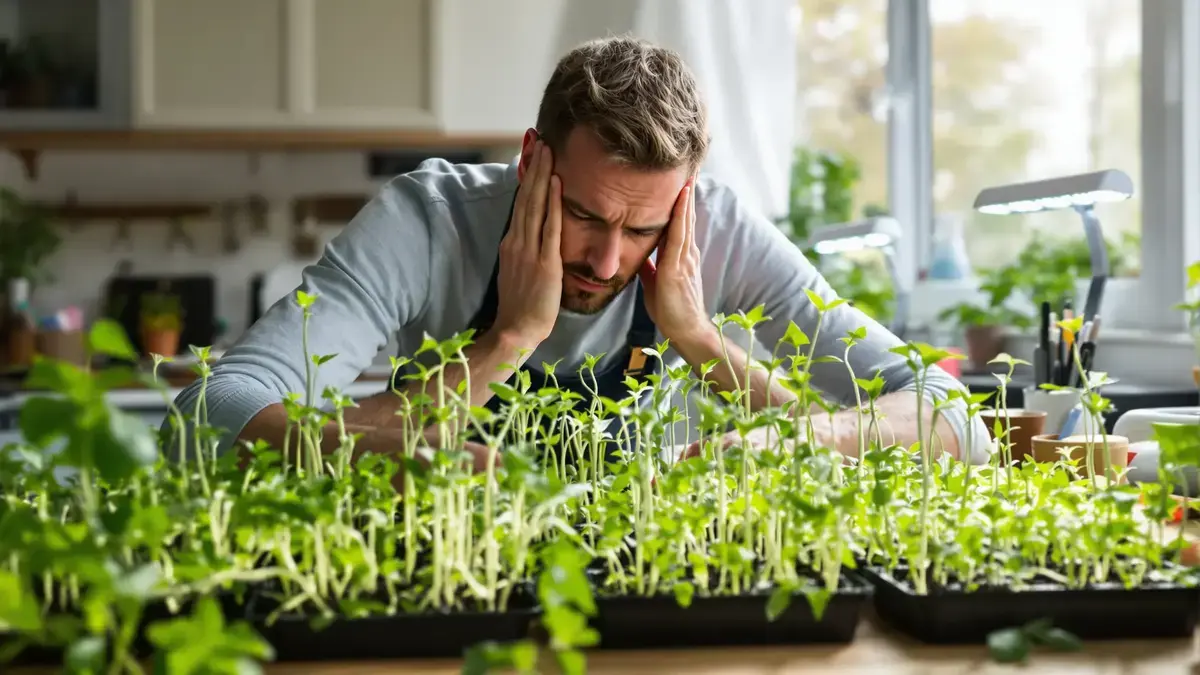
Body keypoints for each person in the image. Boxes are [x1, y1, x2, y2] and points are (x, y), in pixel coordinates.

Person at [169, 36, 989, 470]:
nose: (605, 260)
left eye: (643, 230)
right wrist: (506, 341)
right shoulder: (428, 220)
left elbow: (951, 414)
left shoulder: (719, 230)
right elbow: (207, 415)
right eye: (583, 215)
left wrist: (708, 349)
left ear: (687, 192)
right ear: (532, 159)